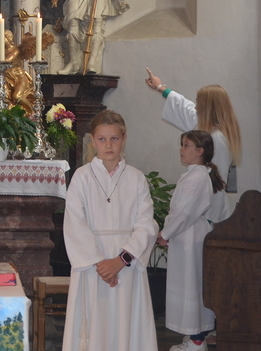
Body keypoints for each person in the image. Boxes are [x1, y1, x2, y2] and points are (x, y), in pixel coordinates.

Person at [62, 110, 158, 351]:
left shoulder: (136, 178)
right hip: (93, 267)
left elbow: (146, 224)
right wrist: (101, 264)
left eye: (114, 138)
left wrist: (120, 260)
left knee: (126, 325)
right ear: (92, 141)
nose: (108, 145)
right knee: (96, 326)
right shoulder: (82, 177)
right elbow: (74, 223)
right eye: (102, 139)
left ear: (123, 139)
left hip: (127, 265)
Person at [143, 71, 242, 223]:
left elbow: (216, 181)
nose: (195, 107)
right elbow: (184, 107)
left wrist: (206, 217)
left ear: (207, 108)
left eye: (198, 103)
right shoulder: (207, 129)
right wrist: (160, 87)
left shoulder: (217, 139)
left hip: (210, 213)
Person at [157, 130, 225, 351]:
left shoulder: (197, 177)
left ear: (200, 151)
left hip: (190, 237)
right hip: (187, 235)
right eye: (182, 144)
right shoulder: (195, 174)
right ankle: (195, 337)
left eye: (186, 145)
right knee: (190, 287)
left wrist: (165, 233)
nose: (181, 149)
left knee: (191, 288)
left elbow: (184, 212)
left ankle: (197, 341)